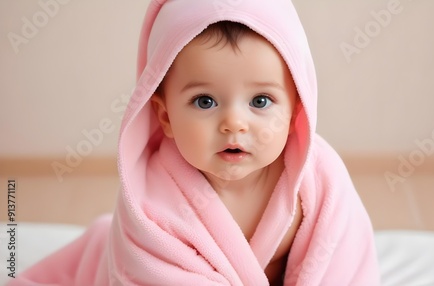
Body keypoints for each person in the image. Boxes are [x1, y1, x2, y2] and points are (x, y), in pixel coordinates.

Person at [8, 0, 380, 285]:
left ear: (297, 106)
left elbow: (344, 263)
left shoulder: (320, 181)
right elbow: (151, 273)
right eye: (205, 101)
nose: (234, 123)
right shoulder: (152, 205)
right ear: (166, 115)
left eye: (261, 101)